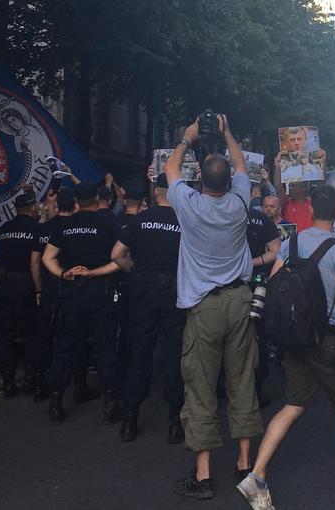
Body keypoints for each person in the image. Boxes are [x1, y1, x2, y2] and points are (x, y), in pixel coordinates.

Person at [237, 185, 335, 510]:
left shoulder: (292, 242)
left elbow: (275, 282)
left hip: (295, 338)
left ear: (312, 209)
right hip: (329, 339)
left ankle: (256, 476)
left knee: (292, 405)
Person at [165, 115, 263, 500]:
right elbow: (242, 166)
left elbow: (171, 170)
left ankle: (203, 474)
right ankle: (244, 463)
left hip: (203, 305)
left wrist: (187, 138)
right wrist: (226, 131)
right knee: (242, 378)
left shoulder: (188, 204)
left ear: (201, 181)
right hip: (239, 300)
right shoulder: (240, 203)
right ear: (229, 183)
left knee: (201, 385)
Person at [111, 174, 185, 444]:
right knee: (174, 355)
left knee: (141, 354)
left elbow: (116, 255)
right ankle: (175, 422)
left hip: (144, 291)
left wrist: (135, 272)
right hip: (175, 292)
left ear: (156, 192)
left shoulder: (140, 220)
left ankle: (130, 419)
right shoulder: (184, 221)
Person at [42, 182, 123, 423]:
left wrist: (64, 273)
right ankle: (110, 404)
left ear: (77, 201)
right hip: (100, 292)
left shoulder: (64, 225)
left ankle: (55, 403)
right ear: (97, 198)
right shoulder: (109, 224)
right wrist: (95, 272)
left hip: (71, 292)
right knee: (106, 348)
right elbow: (120, 259)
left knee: (65, 346)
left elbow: (48, 258)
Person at [0, 192, 43, 398]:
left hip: (3, 284)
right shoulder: (36, 229)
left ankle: (8, 383)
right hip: (25, 284)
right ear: (33, 208)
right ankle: (31, 379)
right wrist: (39, 290)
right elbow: (34, 264)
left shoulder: (5, 228)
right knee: (32, 333)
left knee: (5, 335)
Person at [31, 185, 76, 403]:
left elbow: (35, 263)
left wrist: (38, 289)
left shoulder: (44, 229)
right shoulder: (75, 228)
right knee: (66, 339)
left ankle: (38, 381)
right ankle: (62, 385)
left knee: (43, 335)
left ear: (57, 204)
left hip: (49, 288)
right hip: (70, 288)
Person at [246, 200, 282, 407]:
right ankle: (257, 388)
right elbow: (276, 250)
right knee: (257, 333)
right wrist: (253, 262)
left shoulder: (215, 214)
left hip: (224, 284)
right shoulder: (260, 219)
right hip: (255, 282)